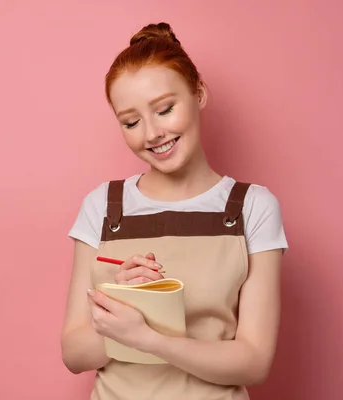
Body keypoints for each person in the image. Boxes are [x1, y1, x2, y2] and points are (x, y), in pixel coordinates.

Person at [60, 22, 288, 400]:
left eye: (164, 109)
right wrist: (126, 305)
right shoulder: (102, 206)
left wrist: (148, 337)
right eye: (131, 122)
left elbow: (253, 361)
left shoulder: (252, 207)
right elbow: (74, 353)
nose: (151, 134)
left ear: (199, 93)